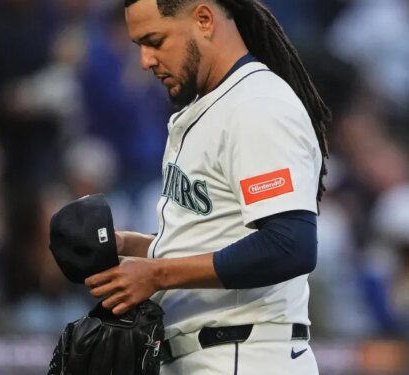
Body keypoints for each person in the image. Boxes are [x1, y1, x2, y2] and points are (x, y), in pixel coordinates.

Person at [83, 0, 330, 374]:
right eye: (140, 46)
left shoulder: (256, 105)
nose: (146, 60)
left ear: (203, 19)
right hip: (211, 353)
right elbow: (216, 240)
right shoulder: (211, 106)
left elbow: (290, 244)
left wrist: (156, 274)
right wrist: (136, 247)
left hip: (243, 354)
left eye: (155, 40)